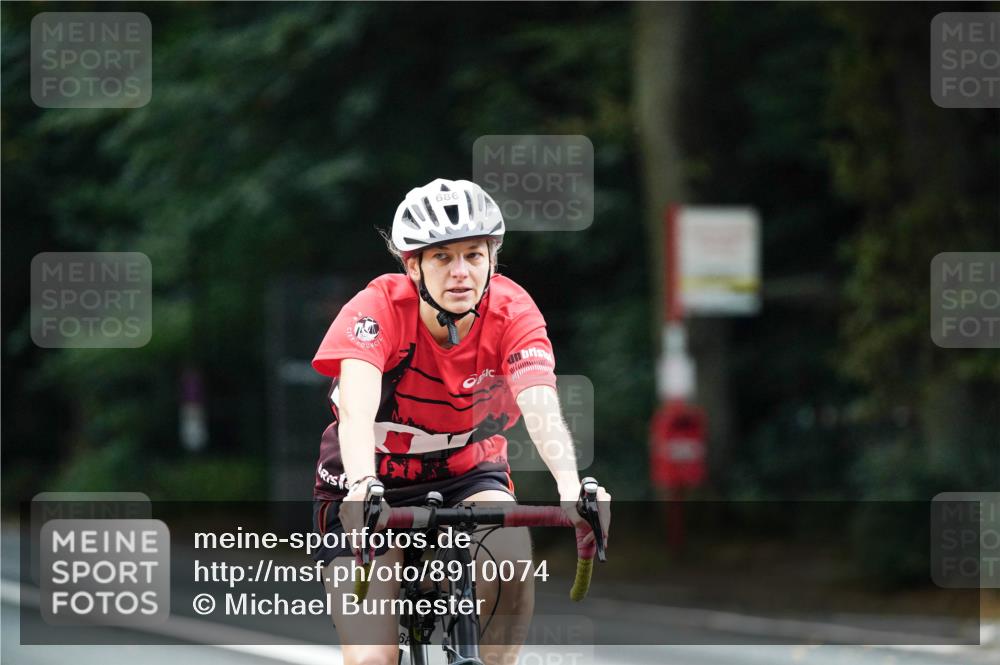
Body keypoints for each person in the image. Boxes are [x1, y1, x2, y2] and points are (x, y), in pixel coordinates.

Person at [310, 178, 611, 665]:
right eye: (442, 257)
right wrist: (362, 484)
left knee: (511, 558)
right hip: (370, 476)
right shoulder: (377, 308)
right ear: (413, 265)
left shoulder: (513, 311)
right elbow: (357, 411)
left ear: (492, 258)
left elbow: (539, 404)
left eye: (474, 255)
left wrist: (570, 486)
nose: (460, 272)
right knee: (371, 659)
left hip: (467, 473)